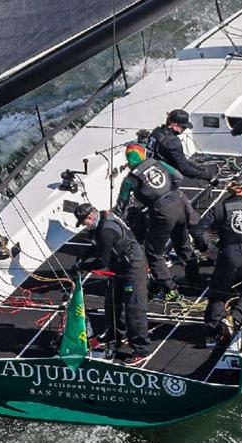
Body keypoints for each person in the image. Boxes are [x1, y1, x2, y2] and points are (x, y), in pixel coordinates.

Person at [114, 144, 201, 298]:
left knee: (153, 252)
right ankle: (194, 278)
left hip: (162, 212)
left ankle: (169, 289)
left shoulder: (131, 179)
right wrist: (168, 191)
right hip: (178, 202)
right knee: (183, 243)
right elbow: (178, 177)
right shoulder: (156, 162)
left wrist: (116, 217)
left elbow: (122, 205)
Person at [74, 202, 151, 363]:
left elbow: (102, 261)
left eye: (84, 222)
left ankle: (141, 350)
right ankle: (115, 337)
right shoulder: (101, 220)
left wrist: (82, 266)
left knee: (134, 309)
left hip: (133, 266)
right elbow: (98, 245)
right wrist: (82, 256)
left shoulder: (105, 229)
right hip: (119, 265)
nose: (84, 226)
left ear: (90, 217)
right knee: (112, 303)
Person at [199, 176, 242, 346]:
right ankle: (234, 317)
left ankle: (210, 334)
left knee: (218, 293)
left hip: (226, 257)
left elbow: (197, 229)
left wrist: (206, 249)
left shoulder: (219, 208)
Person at [147, 109, 218, 181]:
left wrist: (198, 168)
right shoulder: (172, 141)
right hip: (162, 177)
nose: (184, 129)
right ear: (174, 125)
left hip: (150, 169)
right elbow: (185, 169)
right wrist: (208, 176)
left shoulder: (156, 132)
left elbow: (182, 161)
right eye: (183, 127)